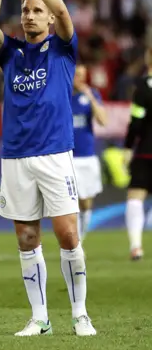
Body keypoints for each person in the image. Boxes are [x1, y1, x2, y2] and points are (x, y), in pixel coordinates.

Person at [0, 0, 95, 336]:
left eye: (36, 11)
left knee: (67, 234)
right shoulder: (10, 53)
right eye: (26, 10)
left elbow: (63, 9)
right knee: (27, 238)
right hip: (16, 156)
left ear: (48, 20)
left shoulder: (62, 50)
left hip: (54, 153)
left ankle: (80, 313)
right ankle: (40, 318)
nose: (29, 16)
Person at [71, 64, 107, 242]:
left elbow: (103, 121)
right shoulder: (61, 96)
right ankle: (74, 244)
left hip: (87, 157)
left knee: (86, 203)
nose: (80, 79)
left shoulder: (91, 96)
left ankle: (80, 239)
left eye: (83, 76)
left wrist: (91, 97)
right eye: (77, 75)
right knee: (72, 203)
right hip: (67, 158)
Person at [123, 46, 152, 261]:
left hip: (146, 151)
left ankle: (136, 247)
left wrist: (128, 147)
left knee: (135, 197)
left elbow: (137, 121)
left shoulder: (143, 87)